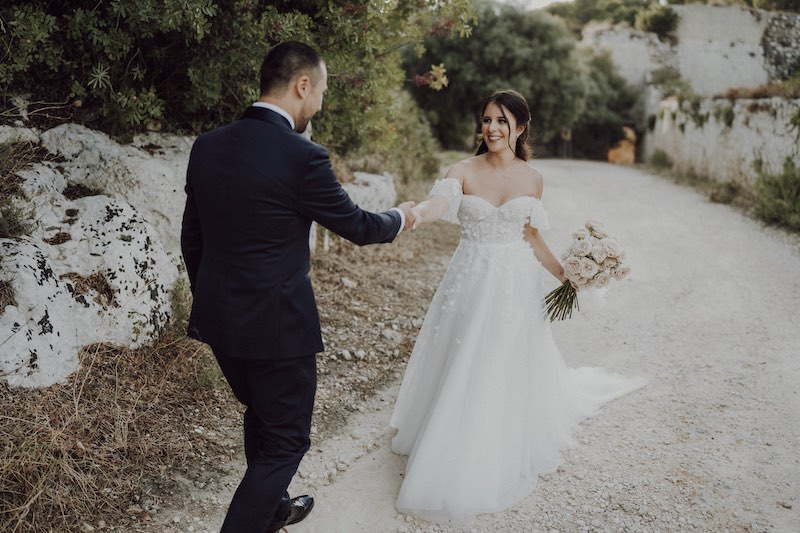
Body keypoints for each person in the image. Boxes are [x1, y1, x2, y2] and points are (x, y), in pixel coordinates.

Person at [180, 41, 416, 533]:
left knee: (262, 415)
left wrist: (214, 301)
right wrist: (406, 216)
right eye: (322, 91)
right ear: (302, 85)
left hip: (220, 321)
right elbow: (359, 226)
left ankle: (273, 510)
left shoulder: (209, 145)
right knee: (287, 440)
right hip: (277, 328)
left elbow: (192, 240)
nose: (321, 103)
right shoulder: (302, 156)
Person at [390, 89, 646, 525]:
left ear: (520, 128)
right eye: (487, 119)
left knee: (498, 361)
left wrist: (568, 274)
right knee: (463, 354)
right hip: (470, 278)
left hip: (514, 284)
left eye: (502, 122)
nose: (492, 128)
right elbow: (440, 203)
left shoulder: (533, 179)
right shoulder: (462, 169)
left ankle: (490, 442)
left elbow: (531, 237)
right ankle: (447, 436)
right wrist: (413, 215)